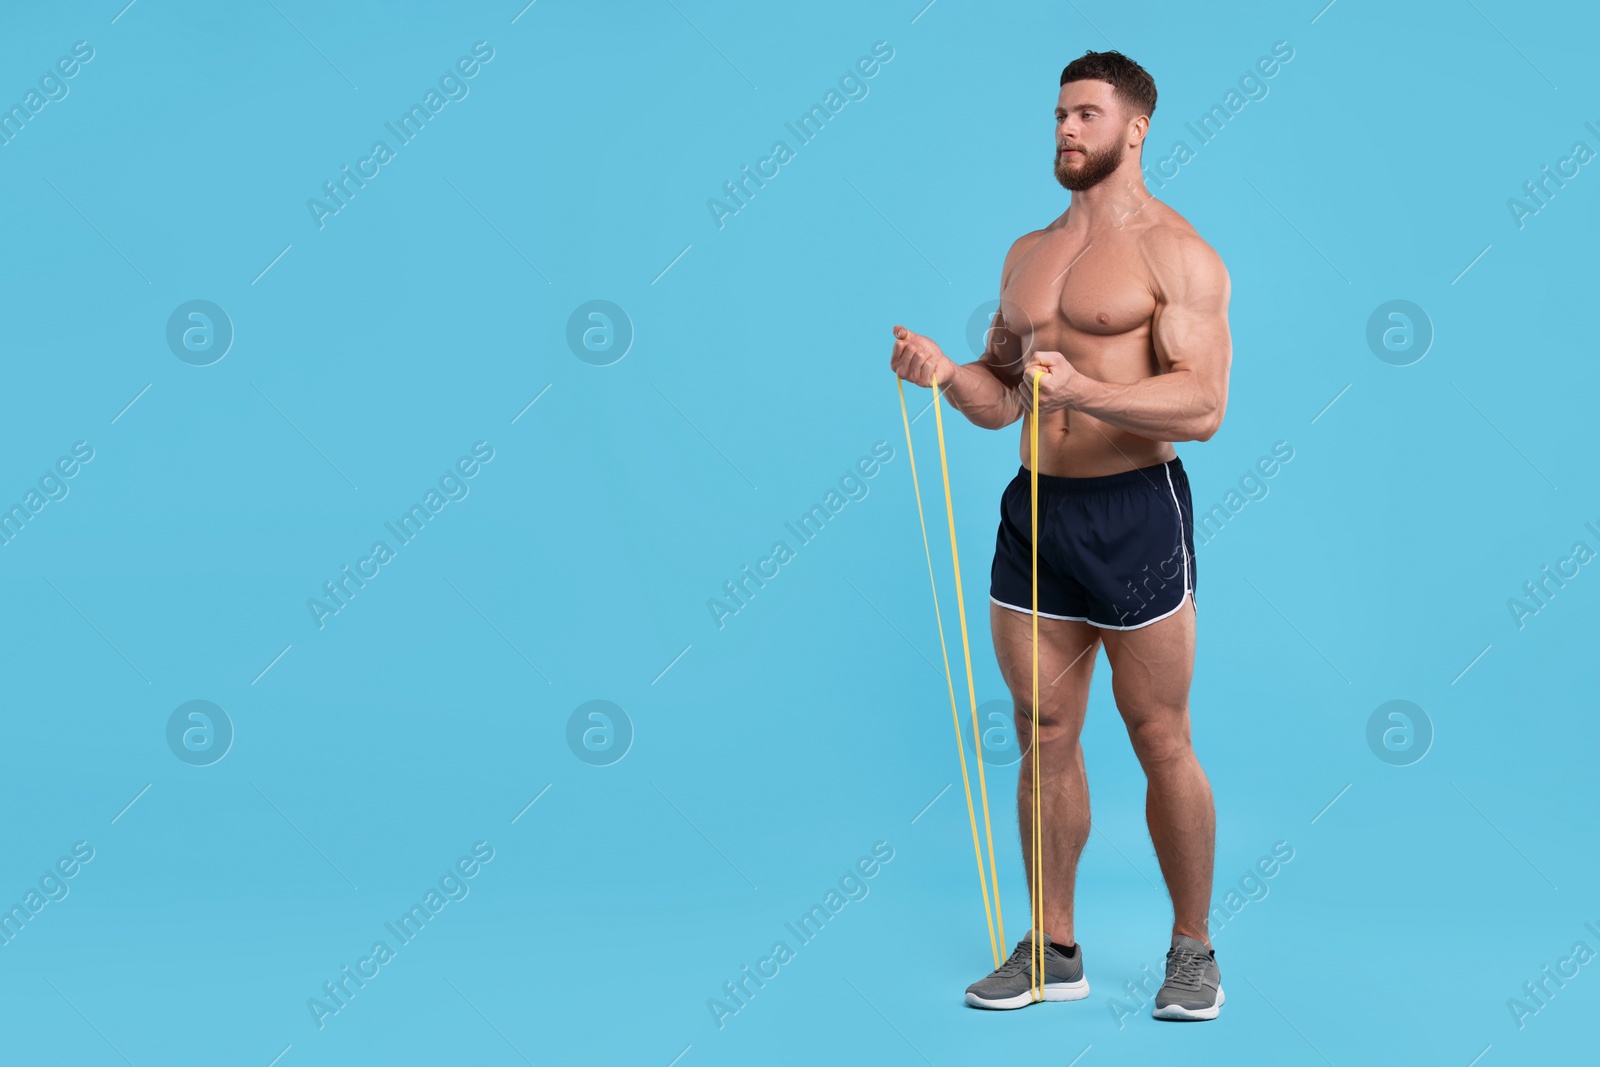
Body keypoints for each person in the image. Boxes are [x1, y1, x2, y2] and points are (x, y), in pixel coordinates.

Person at [888, 49, 1233, 1021]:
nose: (1065, 131)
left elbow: (1203, 404)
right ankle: (1052, 945)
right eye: (1057, 116)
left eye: (1085, 114)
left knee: (1158, 732)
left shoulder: (1179, 254)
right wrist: (945, 371)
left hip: (1134, 512)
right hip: (1035, 513)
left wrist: (1087, 389)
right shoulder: (1027, 254)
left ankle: (1192, 947)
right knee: (1042, 733)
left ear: (1136, 127)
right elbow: (1000, 404)